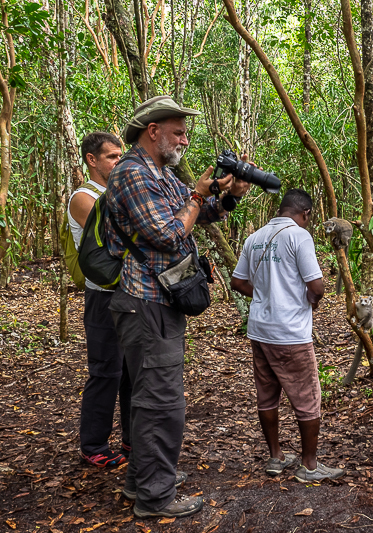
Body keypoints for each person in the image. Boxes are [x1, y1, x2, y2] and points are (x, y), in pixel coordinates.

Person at [106, 95, 250, 519]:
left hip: (159, 301)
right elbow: (169, 234)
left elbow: (199, 215)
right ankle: (155, 498)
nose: (185, 140)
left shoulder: (160, 173)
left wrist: (226, 196)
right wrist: (196, 196)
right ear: (154, 132)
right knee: (161, 403)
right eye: (179, 132)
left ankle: (142, 482)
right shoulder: (132, 174)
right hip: (145, 302)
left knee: (150, 397)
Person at [230, 189, 340, 482]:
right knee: (307, 397)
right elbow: (316, 286)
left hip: (260, 330)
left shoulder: (254, 238)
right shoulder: (299, 236)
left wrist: (265, 297)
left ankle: (276, 456)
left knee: (267, 395)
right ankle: (310, 466)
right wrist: (307, 301)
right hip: (290, 333)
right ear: (305, 213)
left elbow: (238, 281)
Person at [68, 132, 129, 468]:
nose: (118, 162)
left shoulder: (116, 192)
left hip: (129, 293)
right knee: (106, 371)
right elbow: (115, 234)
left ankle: (132, 440)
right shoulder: (84, 197)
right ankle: (93, 444)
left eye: (121, 156)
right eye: (112, 157)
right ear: (92, 160)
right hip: (102, 296)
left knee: (133, 372)